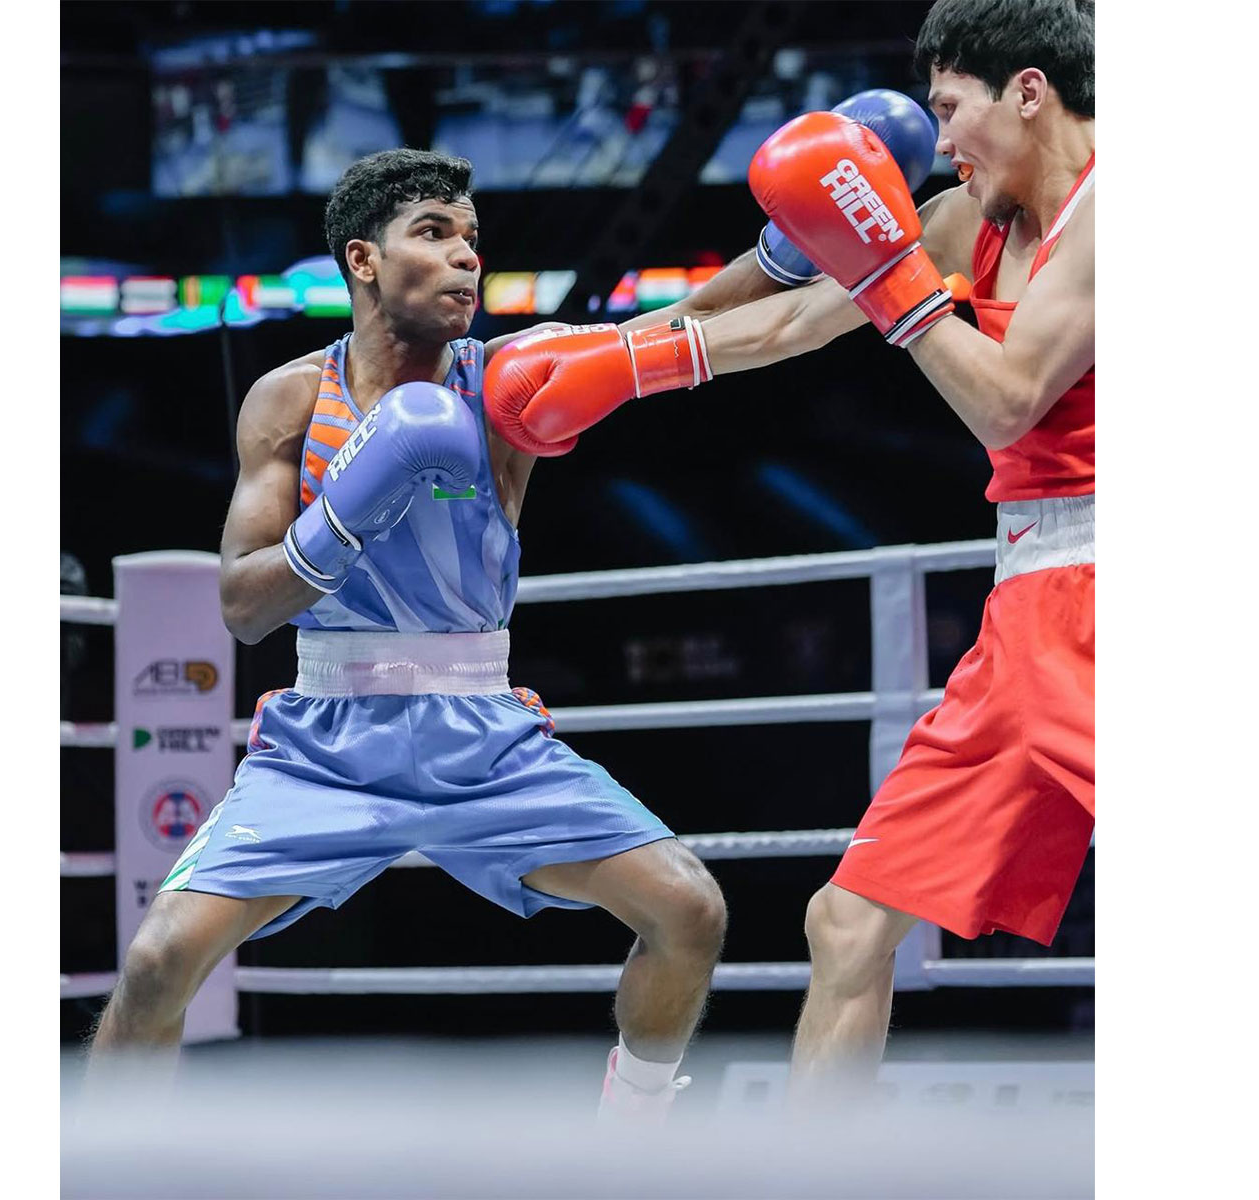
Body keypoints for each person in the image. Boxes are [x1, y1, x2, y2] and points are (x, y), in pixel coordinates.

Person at [485, 0, 1095, 1106]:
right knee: (848, 921)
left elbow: (1008, 403)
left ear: (1027, 90)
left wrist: (895, 278)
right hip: (1029, 611)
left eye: (949, 108)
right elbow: (792, 321)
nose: (939, 143)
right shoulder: (968, 221)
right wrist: (607, 361)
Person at [86, 148, 728, 1121]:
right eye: (434, 232)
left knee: (688, 909)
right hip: (326, 743)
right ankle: (107, 1171)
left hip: (485, 734)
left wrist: (804, 256)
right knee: (156, 961)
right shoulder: (290, 399)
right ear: (363, 260)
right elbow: (244, 607)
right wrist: (347, 510)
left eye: (472, 237)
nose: (466, 256)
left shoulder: (508, 381)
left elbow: (695, 322)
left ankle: (632, 1139)